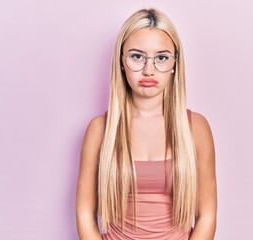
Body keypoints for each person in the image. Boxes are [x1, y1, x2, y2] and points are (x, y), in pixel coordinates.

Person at [76, 8, 217, 240]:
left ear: (175, 64)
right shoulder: (99, 130)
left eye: (161, 57)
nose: (148, 70)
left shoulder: (196, 128)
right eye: (137, 56)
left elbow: (207, 216)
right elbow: (84, 215)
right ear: (121, 61)